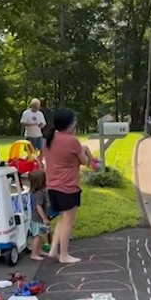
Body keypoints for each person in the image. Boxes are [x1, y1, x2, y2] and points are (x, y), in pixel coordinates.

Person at [41, 108, 93, 264]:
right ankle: (63, 255)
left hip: (52, 187)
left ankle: (52, 251)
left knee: (62, 219)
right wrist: (86, 151)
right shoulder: (72, 141)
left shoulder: (49, 138)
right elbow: (85, 162)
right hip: (68, 188)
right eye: (74, 121)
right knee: (68, 221)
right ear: (69, 124)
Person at [27, 170, 50, 261]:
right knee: (37, 236)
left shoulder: (37, 191)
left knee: (39, 234)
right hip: (37, 218)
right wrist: (44, 218)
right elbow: (38, 206)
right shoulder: (39, 193)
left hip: (37, 218)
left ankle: (38, 251)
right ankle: (33, 254)